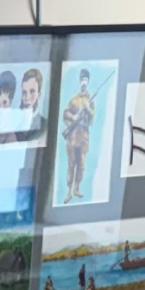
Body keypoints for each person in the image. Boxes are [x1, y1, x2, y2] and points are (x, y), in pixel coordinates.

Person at [62, 67, 99, 203]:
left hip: (83, 138)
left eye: (86, 80)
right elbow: (65, 114)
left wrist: (89, 110)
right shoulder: (74, 100)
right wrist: (74, 117)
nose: (84, 82)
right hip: (72, 138)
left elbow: (92, 121)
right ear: (79, 82)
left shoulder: (90, 101)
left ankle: (77, 188)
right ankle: (68, 192)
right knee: (71, 165)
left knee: (81, 165)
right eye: (82, 79)